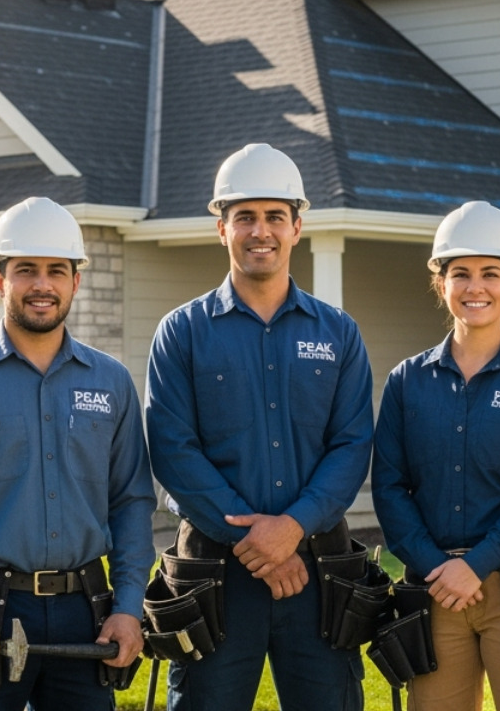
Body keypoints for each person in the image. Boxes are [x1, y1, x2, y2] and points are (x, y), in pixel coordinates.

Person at [145, 143, 374, 711]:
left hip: (317, 574)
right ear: (220, 227)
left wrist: (292, 528)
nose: (260, 230)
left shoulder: (339, 333)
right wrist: (259, 542)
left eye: (275, 216)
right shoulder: (181, 334)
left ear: (298, 226)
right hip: (213, 577)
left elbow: (351, 445)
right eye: (244, 216)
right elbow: (174, 451)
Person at [0, 196, 155, 711]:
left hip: (85, 614)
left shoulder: (111, 382)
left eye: (56, 271)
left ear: (75, 282)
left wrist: (129, 607)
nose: (43, 284)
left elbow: (131, 502)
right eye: (26, 270)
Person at [372, 201, 500, 711]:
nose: (475, 287)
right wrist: (438, 567)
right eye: (460, 273)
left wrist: (478, 564)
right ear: (441, 283)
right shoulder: (406, 381)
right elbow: (391, 488)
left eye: (490, 273)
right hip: (435, 590)